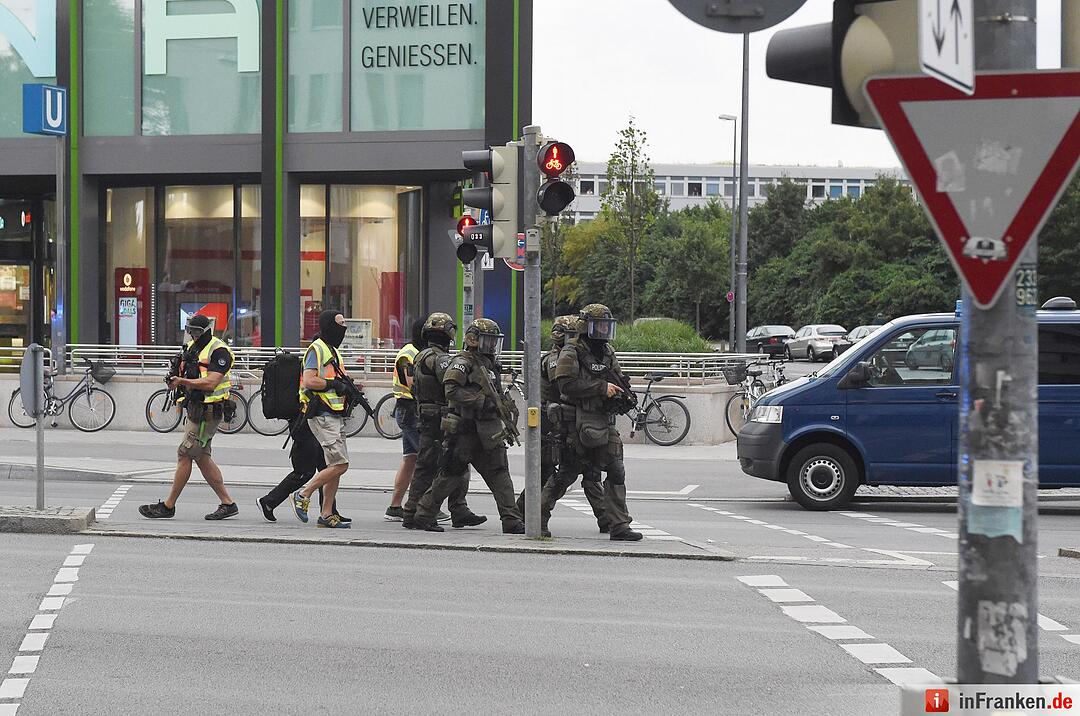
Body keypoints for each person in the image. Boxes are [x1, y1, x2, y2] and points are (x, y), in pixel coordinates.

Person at [412, 318, 525, 534]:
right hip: (465, 431)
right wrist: (482, 402)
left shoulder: (489, 364)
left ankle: (511, 520)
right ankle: (423, 515)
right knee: (450, 475)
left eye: (494, 341)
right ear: (473, 340)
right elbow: (451, 390)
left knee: (500, 474)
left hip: (489, 431)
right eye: (488, 340)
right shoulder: (462, 362)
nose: (492, 345)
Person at [541, 304, 642, 541]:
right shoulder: (571, 351)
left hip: (602, 420)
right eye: (600, 326)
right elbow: (565, 385)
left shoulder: (607, 351)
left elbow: (617, 378)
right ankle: (537, 517)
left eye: (607, 326)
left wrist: (622, 396)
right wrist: (601, 388)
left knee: (616, 469)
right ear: (586, 326)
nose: (604, 330)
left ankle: (619, 525)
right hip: (575, 421)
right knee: (566, 474)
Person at [139, 314, 238, 520]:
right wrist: (176, 378)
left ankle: (168, 506)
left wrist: (182, 381)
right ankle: (228, 503)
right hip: (197, 409)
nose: (193, 335)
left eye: (197, 331)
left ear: (206, 331)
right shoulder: (193, 347)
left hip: (208, 412)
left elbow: (211, 382)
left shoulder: (219, 350)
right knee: (201, 457)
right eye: (190, 331)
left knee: (184, 454)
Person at [516, 315, 608, 532]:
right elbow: (564, 388)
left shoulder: (570, 355)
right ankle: (525, 513)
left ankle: (606, 517)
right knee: (553, 471)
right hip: (555, 421)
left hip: (569, 419)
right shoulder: (556, 359)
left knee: (588, 470)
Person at [402, 312, 485, 529]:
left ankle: (456, 509)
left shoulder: (421, 355)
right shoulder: (439, 359)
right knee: (436, 464)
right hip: (438, 417)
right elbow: (453, 382)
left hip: (430, 415)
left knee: (451, 462)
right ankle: (415, 511)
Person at [291, 310, 354, 529]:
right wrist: (333, 385)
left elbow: (333, 377)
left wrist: (347, 387)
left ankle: (327, 514)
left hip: (334, 414)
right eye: (339, 324)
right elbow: (309, 381)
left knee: (334, 465)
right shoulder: (316, 349)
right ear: (328, 326)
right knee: (341, 464)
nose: (343, 329)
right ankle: (303, 493)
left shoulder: (332, 350)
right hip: (322, 414)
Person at [255, 418, 347, 523]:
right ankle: (270, 501)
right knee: (304, 472)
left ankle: (328, 512)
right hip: (306, 426)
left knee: (327, 469)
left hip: (314, 426)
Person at [383, 318, 426, 522]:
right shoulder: (408, 354)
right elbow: (412, 384)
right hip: (410, 412)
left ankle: (394, 507)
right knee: (428, 460)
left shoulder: (418, 351)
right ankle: (424, 505)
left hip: (410, 412)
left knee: (411, 460)